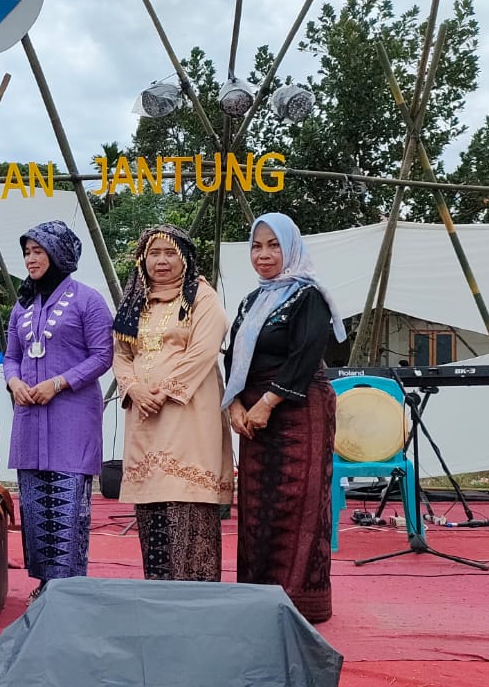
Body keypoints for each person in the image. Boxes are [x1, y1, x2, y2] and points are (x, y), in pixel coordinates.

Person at [222, 212, 347, 624]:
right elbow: (234, 355)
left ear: (291, 248)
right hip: (254, 411)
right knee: (258, 505)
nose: (264, 255)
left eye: (273, 245)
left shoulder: (308, 296)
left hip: (298, 408)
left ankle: (297, 601)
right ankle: (258, 596)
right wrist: (236, 403)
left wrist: (268, 403)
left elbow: (307, 350)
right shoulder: (253, 300)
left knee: (297, 503)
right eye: (256, 246)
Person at [110, 226, 234, 582]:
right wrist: (133, 387)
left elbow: (203, 350)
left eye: (170, 253)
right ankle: (159, 590)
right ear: (142, 259)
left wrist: (163, 390)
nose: (161, 261)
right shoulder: (134, 299)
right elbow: (121, 352)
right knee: (153, 503)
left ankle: (194, 594)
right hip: (144, 416)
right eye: (154, 253)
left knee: (187, 497)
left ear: (185, 258)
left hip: (187, 411)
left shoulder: (201, 297)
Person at [2, 220, 114, 600]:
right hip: (30, 418)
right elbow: (11, 356)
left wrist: (59, 383)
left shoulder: (88, 300)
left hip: (72, 416)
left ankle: (68, 588)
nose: (31, 259)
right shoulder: (22, 306)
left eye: (39, 251)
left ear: (59, 254)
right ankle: (44, 584)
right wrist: (14, 382)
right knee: (35, 503)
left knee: (67, 502)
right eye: (27, 252)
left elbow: (103, 355)